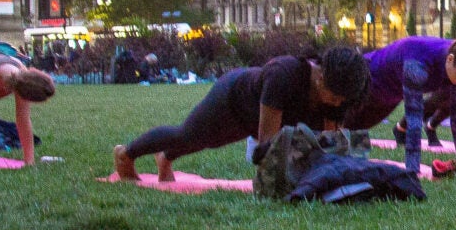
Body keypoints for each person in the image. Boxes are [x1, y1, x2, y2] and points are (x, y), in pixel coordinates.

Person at [114, 47, 371, 183]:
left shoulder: (340, 94)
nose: (339, 103)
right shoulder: (284, 74)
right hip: (233, 97)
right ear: (322, 78)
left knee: (208, 142)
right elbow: (267, 145)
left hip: (253, 118)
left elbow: (329, 146)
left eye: (343, 100)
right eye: (336, 97)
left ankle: (166, 158)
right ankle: (126, 154)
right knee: (190, 134)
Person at [345, 33, 456, 170]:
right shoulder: (418, 64)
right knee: (342, 123)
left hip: (392, 94)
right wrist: (413, 169)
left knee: (359, 130)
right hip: (366, 79)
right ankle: (332, 165)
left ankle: (352, 166)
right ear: (450, 59)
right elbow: (414, 120)